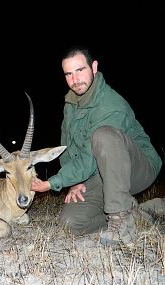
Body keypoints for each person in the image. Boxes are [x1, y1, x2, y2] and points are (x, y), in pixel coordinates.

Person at [32, 46, 163, 245]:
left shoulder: (110, 104)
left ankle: (121, 220)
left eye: (80, 70)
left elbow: (88, 158)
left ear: (94, 67)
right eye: (69, 74)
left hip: (139, 168)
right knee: (70, 223)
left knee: (104, 136)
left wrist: (52, 183)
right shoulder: (71, 103)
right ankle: (137, 212)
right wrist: (75, 182)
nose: (75, 80)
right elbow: (67, 146)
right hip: (99, 170)